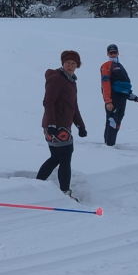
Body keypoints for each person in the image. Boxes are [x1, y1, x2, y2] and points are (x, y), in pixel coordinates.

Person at [36, 50, 87, 198]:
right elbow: (48, 101)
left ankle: (37, 185)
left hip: (63, 125)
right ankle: (65, 191)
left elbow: (73, 106)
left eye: (73, 63)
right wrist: (52, 124)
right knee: (65, 158)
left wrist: (80, 125)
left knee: (56, 158)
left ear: (77, 65)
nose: (70, 66)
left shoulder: (71, 80)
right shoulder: (57, 79)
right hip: (56, 125)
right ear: (62, 64)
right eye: (67, 63)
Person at [100, 43, 138, 146]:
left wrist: (136, 98)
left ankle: (111, 145)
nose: (113, 54)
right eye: (110, 52)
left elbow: (125, 87)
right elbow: (105, 84)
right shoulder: (106, 66)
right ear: (107, 54)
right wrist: (108, 101)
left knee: (118, 122)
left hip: (122, 100)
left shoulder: (120, 66)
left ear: (118, 53)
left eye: (114, 52)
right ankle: (108, 146)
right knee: (112, 121)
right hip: (113, 100)